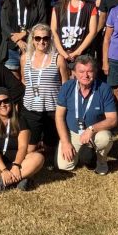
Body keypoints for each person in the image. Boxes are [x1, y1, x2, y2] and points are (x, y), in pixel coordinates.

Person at [0, 87, 45, 194]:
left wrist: (16, 166)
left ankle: (1, 183)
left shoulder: (20, 119)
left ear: (11, 102)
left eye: (6, 101)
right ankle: (16, 180)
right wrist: (4, 170)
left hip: (17, 164)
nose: (2, 104)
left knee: (38, 158)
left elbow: (23, 147)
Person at [54, 55, 117, 173]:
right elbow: (59, 117)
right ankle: (83, 154)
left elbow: (112, 119)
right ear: (74, 73)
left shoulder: (104, 89)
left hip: (95, 133)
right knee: (64, 166)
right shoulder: (67, 87)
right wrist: (65, 142)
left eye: (89, 71)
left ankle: (100, 160)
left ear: (95, 72)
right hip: (73, 133)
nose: (86, 75)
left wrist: (91, 129)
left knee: (105, 138)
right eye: (81, 71)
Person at [21, 23, 69, 156]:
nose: (41, 42)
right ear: (32, 39)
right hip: (31, 108)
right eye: (38, 38)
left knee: (50, 147)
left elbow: (65, 84)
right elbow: (24, 80)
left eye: (45, 38)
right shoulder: (25, 58)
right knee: (29, 149)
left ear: (50, 39)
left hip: (52, 109)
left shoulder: (58, 59)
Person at [0, 0, 44, 71]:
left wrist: (25, 33)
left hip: (32, 47)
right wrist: (18, 40)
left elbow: (42, 22)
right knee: (12, 80)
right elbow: (4, 24)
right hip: (12, 48)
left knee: (30, 79)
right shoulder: (8, 0)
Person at [51, 0, 98, 65]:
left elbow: (93, 32)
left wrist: (78, 52)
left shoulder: (90, 7)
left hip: (82, 55)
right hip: (61, 55)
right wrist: (62, 52)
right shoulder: (58, 7)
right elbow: (53, 30)